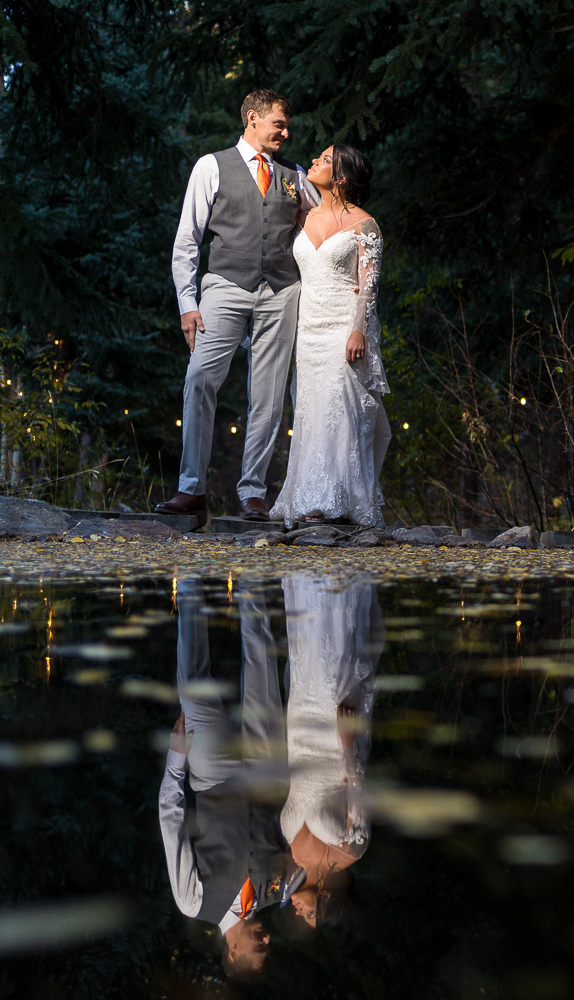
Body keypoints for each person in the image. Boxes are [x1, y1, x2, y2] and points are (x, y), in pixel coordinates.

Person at [159, 89, 318, 521]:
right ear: (252, 118)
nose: (287, 131)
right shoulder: (212, 166)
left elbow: (320, 229)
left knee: (267, 395)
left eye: (287, 125)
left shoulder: (295, 175)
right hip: (225, 286)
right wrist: (187, 303)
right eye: (279, 124)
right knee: (199, 378)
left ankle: (253, 492)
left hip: (281, 291)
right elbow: (187, 241)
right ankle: (191, 488)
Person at [159, 578, 303, 979]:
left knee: (193, 680)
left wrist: (175, 762)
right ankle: (252, 578)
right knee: (262, 661)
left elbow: (172, 824)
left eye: (260, 950)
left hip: (212, 776)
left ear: (235, 953)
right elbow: (310, 859)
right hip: (265, 773)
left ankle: (188, 577)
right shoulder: (280, 891)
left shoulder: (194, 904)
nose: (267, 941)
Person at [268, 144, 391, 529]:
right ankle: (307, 495)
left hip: (343, 327)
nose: (314, 162)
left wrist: (358, 329)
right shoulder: (301, 215)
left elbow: (369, 286)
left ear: (340, 176)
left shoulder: (364, 225)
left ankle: (339, 500)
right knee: (310, 406)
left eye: (324, 159)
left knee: (342, 407)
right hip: (308, 328)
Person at [278, 572, 383, 927]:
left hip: (299, 734)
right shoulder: (351, 849)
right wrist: (348, 743)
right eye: (308, 913)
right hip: (333, 741)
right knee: (331, 659)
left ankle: (305, 575)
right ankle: (337, 578)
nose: (298, 910)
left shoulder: (293, 858)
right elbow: (359, 790)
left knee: (306, 657)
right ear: (325, 897)